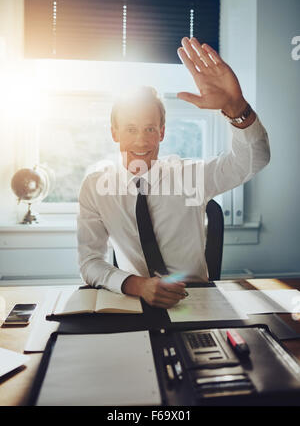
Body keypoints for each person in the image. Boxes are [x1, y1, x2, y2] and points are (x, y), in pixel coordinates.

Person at [77, 37, 270, 309]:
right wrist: (137, 285)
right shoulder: (96, 187)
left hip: (195, 299)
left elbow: (253, 159)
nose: (142, 141)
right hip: (133, 300)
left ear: (162, 132)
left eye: (150, 129)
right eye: (131, 129)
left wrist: (236, 107)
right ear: (114, 133)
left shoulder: (189, 177)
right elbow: (90, 262)